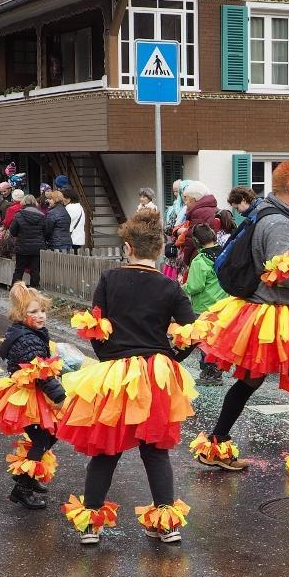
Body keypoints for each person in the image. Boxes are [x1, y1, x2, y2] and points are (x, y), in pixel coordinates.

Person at [190, 160, 289, 475]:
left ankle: (216, 443)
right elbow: (280, 274)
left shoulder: (267, 214)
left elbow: (279, 263)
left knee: (249, 381)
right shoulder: (280, 223)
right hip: (279, 317)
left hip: (261, 313)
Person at [59, 209, 198, 546]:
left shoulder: (110, 279)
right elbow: (191, 333)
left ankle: (91, 524)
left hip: (116, 374)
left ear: (129, 248)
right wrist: (171, 357)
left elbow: (95, 328)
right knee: (155, 451)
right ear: (158, 251)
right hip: (156, 374)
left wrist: (109, 359)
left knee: (107, 450)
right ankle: (166, 525)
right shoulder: (170, 286)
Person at [0, 283, 65, 511]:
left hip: (33, 394)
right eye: (33, 312)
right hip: (28, 398)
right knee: (42, 439)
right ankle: (22, 489)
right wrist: (59, 396)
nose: (40, 316)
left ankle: (28, 478)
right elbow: (39, 372)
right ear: (21, 315)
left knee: (50, 434)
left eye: (42, 311)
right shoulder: (26, 339)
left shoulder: (30, 332)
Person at [182, 223, 228, 386]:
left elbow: (195, 286)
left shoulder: (200, 261)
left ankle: (210, 373)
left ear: (196, 241)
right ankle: (217, 370)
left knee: (205, 341)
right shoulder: (225, 254)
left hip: (204, 307)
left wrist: (182, 286)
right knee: (217, 339)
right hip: (224, 305)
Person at [10, 195, 47, 287]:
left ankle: (15, 290)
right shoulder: (42, 216)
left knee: (19, 269)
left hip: (22, 246)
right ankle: (34, 290)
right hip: (37, 247)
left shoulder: (18, 215)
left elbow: (13, 231)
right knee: (35, 270)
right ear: (35, 203)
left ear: (23, 202)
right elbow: (46, 231)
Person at [180, 181, 219, 265]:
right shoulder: (211, 208)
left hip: (201, 258)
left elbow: (191, 239)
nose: (185, 203)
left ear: (194, 200)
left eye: (186, 199)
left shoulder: (199, 212)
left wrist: (186, 261)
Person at [43, 189, 73, 253]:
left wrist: (45, 239)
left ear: (55, 200)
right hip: (67, 241)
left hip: (56, 243)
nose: (49, 201)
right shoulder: (65, 211)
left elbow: (48, 230)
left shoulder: (52, 213)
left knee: (57, 262)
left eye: (51, 199)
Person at [64, 187, 86, 252]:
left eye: (65, 198)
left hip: (72, 238)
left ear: (69, 198)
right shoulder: (79, 206)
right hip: (79, 238)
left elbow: (66, 222)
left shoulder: (69, 207)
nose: (63, 200)